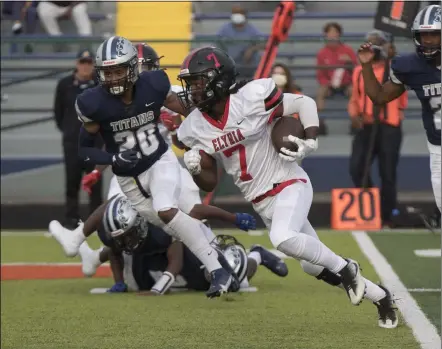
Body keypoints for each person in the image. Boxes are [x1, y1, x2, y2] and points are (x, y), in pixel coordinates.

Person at [176, 46, 398, 328]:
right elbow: (210, 181)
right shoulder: (194, 127)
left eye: (198, 81)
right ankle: (381, 297)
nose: (193, 90)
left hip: (289, 183)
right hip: (261, 201)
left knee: (282, 238)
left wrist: (311, 138)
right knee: (311, 264)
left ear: (218, 79)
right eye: (191, 83)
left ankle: (347, 269)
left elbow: (303, 103)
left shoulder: (251, 99)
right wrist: (196, 168)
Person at [49, 36, 237, 298]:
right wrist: (112, 160)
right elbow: (85, 149)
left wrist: (210, 118)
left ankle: (218, 270)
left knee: (167, 210)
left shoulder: (154, 83)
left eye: (118, 71)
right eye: (108, 72)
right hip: (128, 178)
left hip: (160, 161)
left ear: (132, 69)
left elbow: (186, 108)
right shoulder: (92, 102)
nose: (113, 78)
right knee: (172, 227)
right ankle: (220, 268)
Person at [81, 43, 203, 223]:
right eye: (137, 68)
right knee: (115, 211)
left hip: (161, 162)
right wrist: (97, 172)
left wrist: (175, 129)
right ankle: (92, 245)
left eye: (144, 68)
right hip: (130, 164)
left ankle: (209, 244)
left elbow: (182, 143)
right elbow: (115, 140)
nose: (140, 73)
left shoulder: (165, 92)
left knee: (191, 203)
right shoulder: (119, 99)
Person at [77, 194, 287, 294]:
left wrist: (233, 218)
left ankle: (256, 255)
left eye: (129, 234)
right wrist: (119, 282)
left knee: (231, 281)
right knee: (123, 251)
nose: (125, 241)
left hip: (194, 245)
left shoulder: (158, 218)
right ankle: (93, 257)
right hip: (158, 262)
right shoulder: (118, 232)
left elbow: (196, 212)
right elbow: (116, 246)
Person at [358, 4, 441, 212]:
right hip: (438, 148)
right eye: (423, 35)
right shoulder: (411, 66)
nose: (428, 40)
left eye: (434, 34)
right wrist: (367, 66)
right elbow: (378, 97)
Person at [348, 30, 408, 227]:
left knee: (388, 172)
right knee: (357, 167)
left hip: (389, 126)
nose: (374, 48)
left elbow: (401, 95)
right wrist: (354, 114)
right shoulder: (359, 70)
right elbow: (355, 97)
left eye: (377, 44)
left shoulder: (393, 69)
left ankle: (387, 215)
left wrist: (392, 59)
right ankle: (372, 204)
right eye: (370, 44)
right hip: (366, 125)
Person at [53, 48, 101, 230]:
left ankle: (96, 223)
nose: (86, 66)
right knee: (72, 182)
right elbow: (58, 113)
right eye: (83, 62)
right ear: (77, 64)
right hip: (72, 143)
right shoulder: (65, 84)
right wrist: (70, 131)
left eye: (89, 63)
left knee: (95, 184)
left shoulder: (100, 84)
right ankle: (70, 221)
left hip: (95, 142)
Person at [316, 22, 358, 112]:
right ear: (325, 35)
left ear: (339, 34)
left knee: (354, 92)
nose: (332, 35)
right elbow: (320, 74)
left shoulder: (348, 50)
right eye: (330, 32)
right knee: (320, 93)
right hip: (329, 84)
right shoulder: (322, 53)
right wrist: (327, 83)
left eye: (335, 32)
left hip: (346, 84)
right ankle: (319, 121)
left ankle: (356, 119)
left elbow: (356, 70)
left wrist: (349, 62)